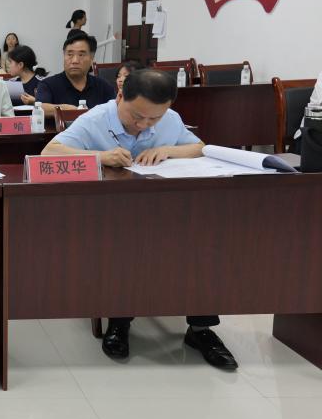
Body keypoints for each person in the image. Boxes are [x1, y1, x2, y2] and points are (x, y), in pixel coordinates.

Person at [40, 69, 236, 369]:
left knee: (201, 244)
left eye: (154, 119)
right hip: (111, 217)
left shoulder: (170, 119)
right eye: (136, 116)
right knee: (127, 244)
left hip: (165, 213)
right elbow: (48, 152)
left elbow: (199, 147)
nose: (143, 124)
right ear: (120, 96)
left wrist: (167, 150)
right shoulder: (96, 119)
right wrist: (101, 156)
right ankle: (120, 321)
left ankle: (201, 329)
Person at [35, 31, 116, 115]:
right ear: (64, 56)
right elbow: (40, 108)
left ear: (91, 59)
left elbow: (115, 110)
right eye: (70, 54)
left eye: (81, 55)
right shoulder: (48, 85)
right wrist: (67, 109)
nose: (75, 61)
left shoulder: (104, 86)